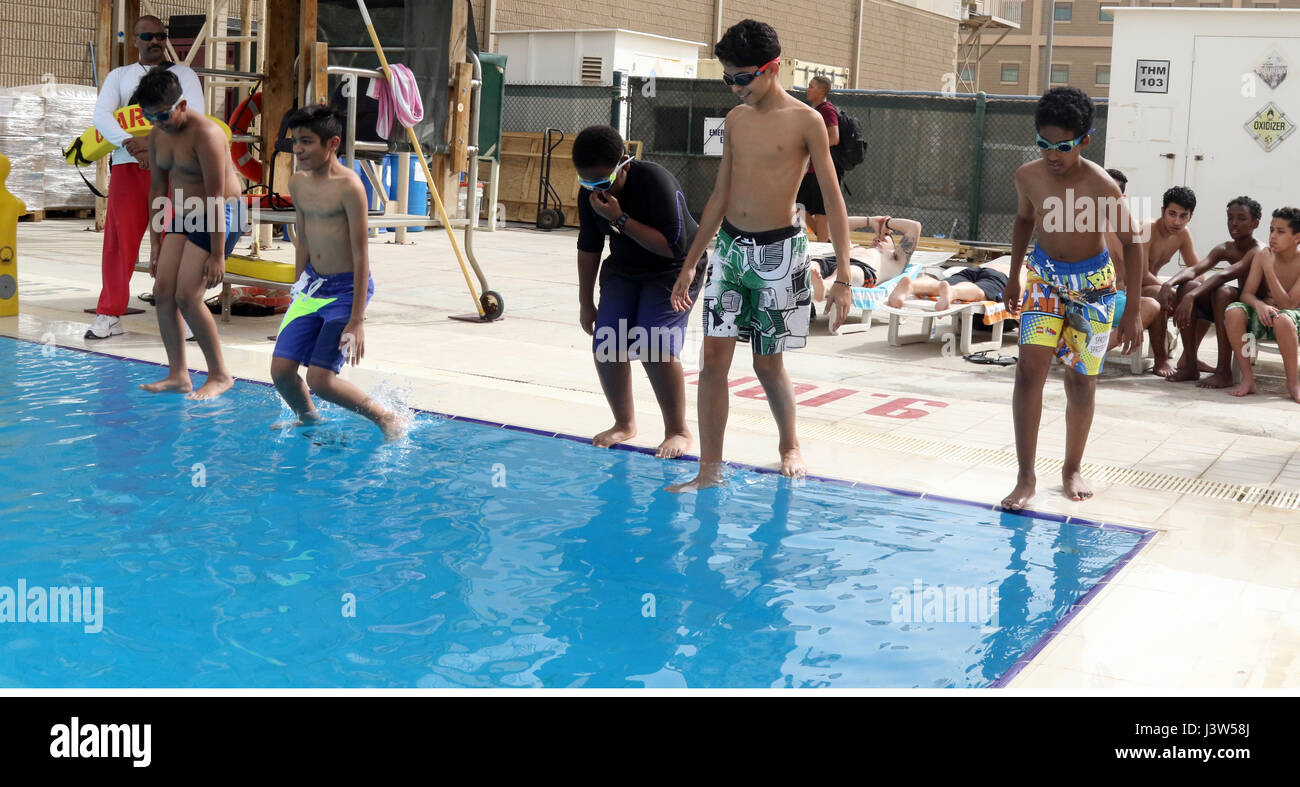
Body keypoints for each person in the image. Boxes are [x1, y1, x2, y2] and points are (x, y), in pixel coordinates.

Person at [667, 19, 853, 492]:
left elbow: (833, 198)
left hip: (780, 254)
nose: (734, 88)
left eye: (742, 78)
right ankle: (710, 469)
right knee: (712, 363)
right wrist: (691, 263)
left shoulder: (806, 121)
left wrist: (845, 277)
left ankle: (789, 444)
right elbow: (719, 195)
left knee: (767, 364)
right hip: (730, 250)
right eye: (728, 78)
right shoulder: (736, 119)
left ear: (772, 69)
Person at [1001, 87, 1144, 511]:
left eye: (1061, 146)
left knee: (1081, 380)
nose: (1051, 154)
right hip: (1043, 280)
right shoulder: (1028, 176)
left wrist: (1132, 309)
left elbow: (1133, 243)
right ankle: (1025, 476)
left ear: (1084, 140)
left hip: (1094, 288)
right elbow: (1024, 220)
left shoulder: (1100, 184)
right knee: (1029, 374)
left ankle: (1071, 468)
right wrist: (1012, 276)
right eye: (1043, 143)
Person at [270, 105, 402, 438]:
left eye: (307, 141)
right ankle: (309, 419)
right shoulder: (297, 182)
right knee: (281, 372)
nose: (298, 149)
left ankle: (385, 417)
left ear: (332, 143)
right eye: (295, 141)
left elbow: (361, 254)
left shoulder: (350, 187)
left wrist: (357, 321)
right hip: (312, 288)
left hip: (345, 293)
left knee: (321, 379)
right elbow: (302, 240)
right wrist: (295, 289)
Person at [572, 124, 701, 458]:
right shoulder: (590, 195)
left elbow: (673, 247)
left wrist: (619, 219)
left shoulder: (654, 182)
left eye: (603, 181)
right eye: (587, 183)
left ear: (624, 164)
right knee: (607, 341)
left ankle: (678, 430)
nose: (595, 189)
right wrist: (586, 303)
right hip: (626, 268)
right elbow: (588, 248)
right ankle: (624, 423)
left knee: (654, 342)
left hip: (676, 269)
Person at [86, 15, 205, 340]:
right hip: (128, 165)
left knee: (177, 240)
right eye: (148, 35)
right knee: (119, 243)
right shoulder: (119, 76)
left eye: (160, 36)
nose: (155, 41)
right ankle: (109, 313)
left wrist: (152, 145)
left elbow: (195, 113)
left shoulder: (184, 74)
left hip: (174, 167)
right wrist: (130, 143)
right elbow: (101, 115)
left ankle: (185, 313)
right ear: (134, 40)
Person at [137, 67, 244, 399]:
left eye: (164, 115)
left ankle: (220, 375)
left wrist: (217, 255)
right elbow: (157, 191)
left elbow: (215, 197)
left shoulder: (207, 135)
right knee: (163, 292)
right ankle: (178, 375)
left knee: (187, 295)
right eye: (150, 117)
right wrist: (155, 242)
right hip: (185, 210)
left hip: (221, 212)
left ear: (182, 104)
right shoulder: (157, 135)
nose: (159, 122)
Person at [1162, 196, 1262, 387]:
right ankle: (1190, 365)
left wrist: (1192, 296)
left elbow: (1226, 275)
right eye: (1230, 217)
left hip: (1256, 307)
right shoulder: (1225, 248)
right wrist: (1169, 284)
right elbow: (1194, 269)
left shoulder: (1258, 250)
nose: (1234, 223)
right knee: (1187, 285)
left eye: (1241, 218)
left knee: (1222, 292)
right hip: (1234, 303)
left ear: (1255, 223)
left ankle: (1224, 371)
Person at [1225, 206, 1300, 403]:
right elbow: (1247, 294)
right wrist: (1259, 306)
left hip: (1292, 322)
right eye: (1271, 229)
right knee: (1234, 312)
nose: (1273, 236)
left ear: (1297, 237)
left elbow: (1289, 303)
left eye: (1281, 231)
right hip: (1267, 315)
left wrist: (1269, 270)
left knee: (1284, 318)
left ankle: (1293, 383)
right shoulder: (1262, 255)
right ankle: (1248, 379)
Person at [1138, 186, 1201, 378]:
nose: (1177, 221)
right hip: (1128, 287)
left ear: (1190, 216)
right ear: (1162, 211)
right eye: (1172, 214)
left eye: (1183, 216)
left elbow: (1198, 271)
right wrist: (1169, 289)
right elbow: (1140, 273)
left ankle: (1189, 358)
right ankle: (1160, 358)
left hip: (1154, 286)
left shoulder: (1183, 234)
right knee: (1162, 295)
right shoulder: (1147, 229)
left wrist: (1190, 295)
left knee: (1201, 294)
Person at [1102, 167, 1163, 362]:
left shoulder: (1125, 228)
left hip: (1110, 300)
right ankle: (1089, 355)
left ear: (1122, 198)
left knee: (1153, 302)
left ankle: (1092, 354)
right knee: (1152, 303)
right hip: (1080, 299)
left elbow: (1138, 274)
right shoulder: (1076, 223)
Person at [811, 215, 920, 311]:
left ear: (894, 247)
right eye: (876, 238)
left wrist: (887, 223)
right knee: (810, 265)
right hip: (833, 261)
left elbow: (914, 227)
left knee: (846, 271)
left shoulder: (896, 258)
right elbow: (835, 225)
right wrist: (870, 221)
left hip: (861, 269)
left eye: (884, 239)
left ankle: (825, 286)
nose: (878, 239)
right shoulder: (857, 248)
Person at [888, 255, 1026, 310]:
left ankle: (911, 286)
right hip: (1003, 278)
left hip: (978, 269)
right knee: (979, 292)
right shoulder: (1031, 272)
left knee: (940, 285)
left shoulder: (1006, 261)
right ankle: (953, 292)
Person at [796, 76, 841, 242]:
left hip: (823, 170)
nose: (807, 89)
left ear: (822, 90)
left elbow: (834, 137)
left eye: (811, 86)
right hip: (811, 170)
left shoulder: (827, 110)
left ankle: (823, 246)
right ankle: (825, 239)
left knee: (821, 213)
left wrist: (811, 147)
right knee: (798, 206)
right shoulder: (814, 110)